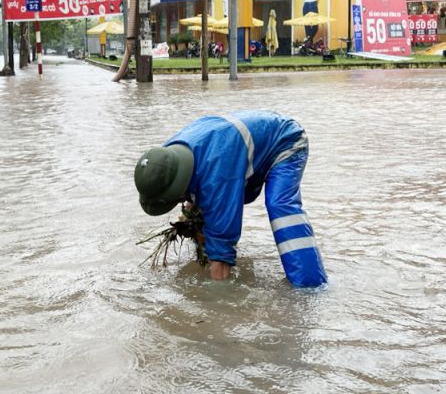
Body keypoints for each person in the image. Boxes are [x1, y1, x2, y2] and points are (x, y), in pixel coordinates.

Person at [134, 110, 328, 287]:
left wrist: (218, 300)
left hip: (286, 140)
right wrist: (190, 214)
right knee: (201, 217)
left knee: (279, 205)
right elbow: (194, 183)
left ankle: (310, 285)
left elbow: (222, 244)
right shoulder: (170, 154)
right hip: (235, 146)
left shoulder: (219, 178)